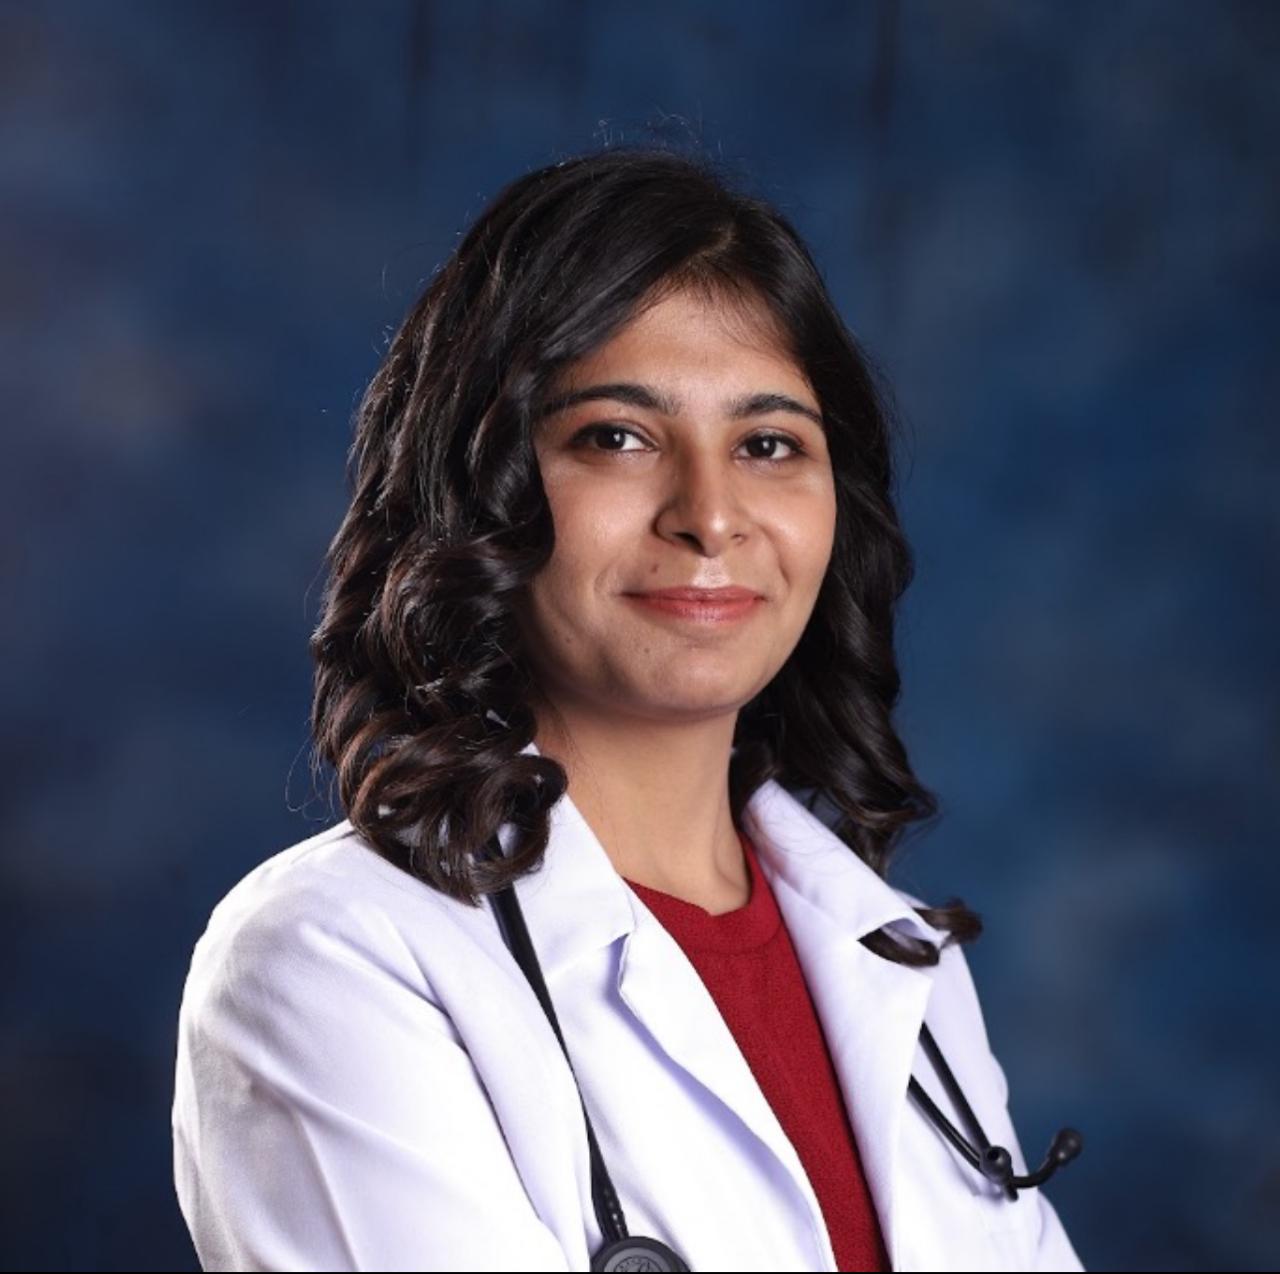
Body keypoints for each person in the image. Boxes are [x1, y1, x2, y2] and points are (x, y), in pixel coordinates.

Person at [171, 145, 1086, 1272]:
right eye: (617, 436)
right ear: (480, 488)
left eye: (767, 444)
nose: (710, 514)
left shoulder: (906, 971)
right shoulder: (332, 960)